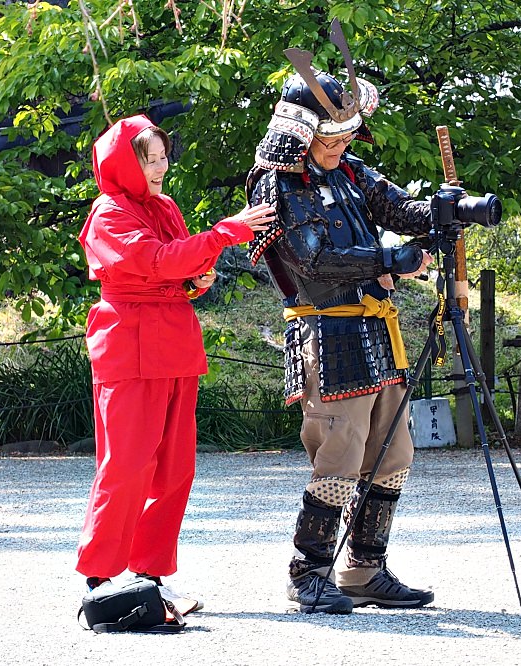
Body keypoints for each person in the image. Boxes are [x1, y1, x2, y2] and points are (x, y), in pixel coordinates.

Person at [245, 40, 435, 614]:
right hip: (325, 333)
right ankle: (308, 573)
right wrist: (389, 261)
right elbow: (311, 258)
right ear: (301, 133)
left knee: (393, 452)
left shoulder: (351, 172)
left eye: (347, 135)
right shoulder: (276, 183)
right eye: (329, 138)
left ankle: (363, 569)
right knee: (339, 454)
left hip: (377, 330)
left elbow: (401, 208)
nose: (341, 145)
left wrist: (450, 210)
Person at [76, 114, 275, 615]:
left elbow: (180, 266)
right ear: (126, 163)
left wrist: (196, 281)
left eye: (163, 157)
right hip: (129, 343)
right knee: (126, 463)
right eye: (149, 159)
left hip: (173, 340)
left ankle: (150, 577)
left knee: (174, 469)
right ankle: (100, 578)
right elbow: (158, 261)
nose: (161, 167)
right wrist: (224, 234)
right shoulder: (108, 213)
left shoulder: (163, 206)